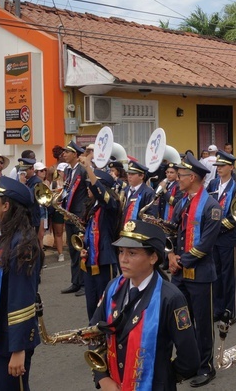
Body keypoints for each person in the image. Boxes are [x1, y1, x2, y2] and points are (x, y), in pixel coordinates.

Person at [90, 219, 200, 390]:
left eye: (132, 253)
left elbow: (189, 358)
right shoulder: (113, 287)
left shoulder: (170, 298)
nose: (123, 259)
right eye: (121, 251)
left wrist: (162, 378)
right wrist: (102, 377)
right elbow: (94, 333)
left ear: (153, 257)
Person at [0, 176, 42, 391]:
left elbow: (22, 297)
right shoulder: (2, 237)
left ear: (6, 206)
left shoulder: (24, 244)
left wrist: (19, 349)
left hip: (11, 340)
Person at [167, 153, 221, 387]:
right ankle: (189, 363)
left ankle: (206, 367)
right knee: (182, 322)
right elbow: (172, 231)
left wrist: (181, 261)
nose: (177, 179)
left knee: (202, 322)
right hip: (179, 272)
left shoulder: (211, 206)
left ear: (193, 177)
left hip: (199, 274)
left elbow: (206, 244)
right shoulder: (182, 201)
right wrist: (169, 255)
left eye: (181, 175)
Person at [79, 152, 120, 321]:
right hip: (89, 260)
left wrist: (88, 167)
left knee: (105, 301)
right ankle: (93, 334)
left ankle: (106, 335)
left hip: (104, 260)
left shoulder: (111, 205)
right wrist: (83, 247)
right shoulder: (91, 206)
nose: (88, 188)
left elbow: (101, 192)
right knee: (91, 302)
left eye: (92, 185)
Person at [207, 150, 236, 324]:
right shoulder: (213, 184)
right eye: (218, 166)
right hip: (213, 238)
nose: (219, 168)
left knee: (228, 275)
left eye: (222, 166)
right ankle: (217, 308)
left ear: (231, 167)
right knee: (216, 273)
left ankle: (229, 310)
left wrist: (217, 227)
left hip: (227, 237)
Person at [59, 141, 88, 295]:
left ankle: (84, 283)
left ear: (75, 155)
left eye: (67, 152)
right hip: (69, 214)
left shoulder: (82, 170)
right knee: (72, 249)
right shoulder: (69, 171)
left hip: (79, 215)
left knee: (81, 249)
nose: (64, 154)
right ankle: (75, 281)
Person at [120, 160, 157, 224]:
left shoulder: (148, 192)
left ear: (141, 176)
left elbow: (151, 216)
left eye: (132, 174)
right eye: (128, 173)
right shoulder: (124, 190)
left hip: (138, 229)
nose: (129, 176)